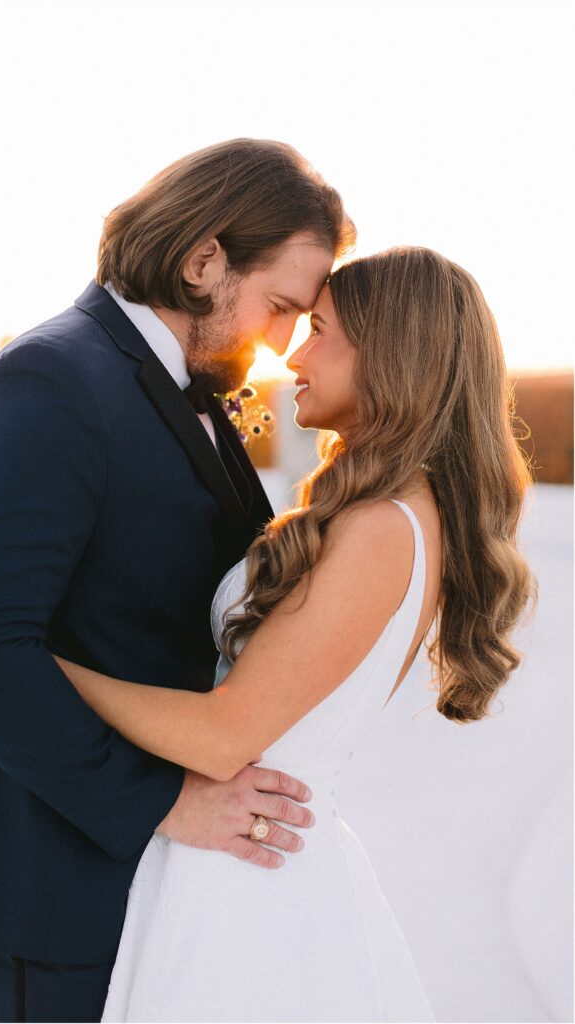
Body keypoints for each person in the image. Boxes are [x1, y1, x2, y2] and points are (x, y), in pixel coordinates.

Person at [0, 139, 356, 1023]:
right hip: (43, 883)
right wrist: (166, 802)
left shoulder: (183, 385)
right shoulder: (51, 378)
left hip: (133, 880)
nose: (284, 342)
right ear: (202, 259)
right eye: (280, 306)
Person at [53, 246, 534, 1023]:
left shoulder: (381, 528)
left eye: (318, 329)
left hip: (250, 887)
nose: (292, 351)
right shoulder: (383, 515)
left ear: (391, 354)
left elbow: (223, 737)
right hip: (241, 858)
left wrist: (38, 663)